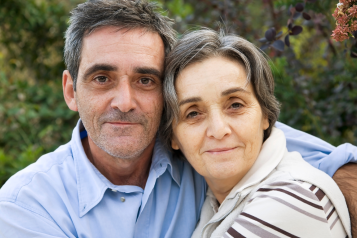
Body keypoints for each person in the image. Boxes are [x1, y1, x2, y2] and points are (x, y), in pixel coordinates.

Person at [0, 1, 356, 237]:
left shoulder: (205, 147)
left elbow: (310, 157)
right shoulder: (27, 206)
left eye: (145, 80)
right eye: (102, 78)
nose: (124, 102)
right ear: (71, 90)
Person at [162, 28, 351, 237]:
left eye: (235, 105)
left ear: (266, 115)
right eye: (193, 113)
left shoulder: (290, 198)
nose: (218, 130)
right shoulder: (215, 203)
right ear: (173, 136)